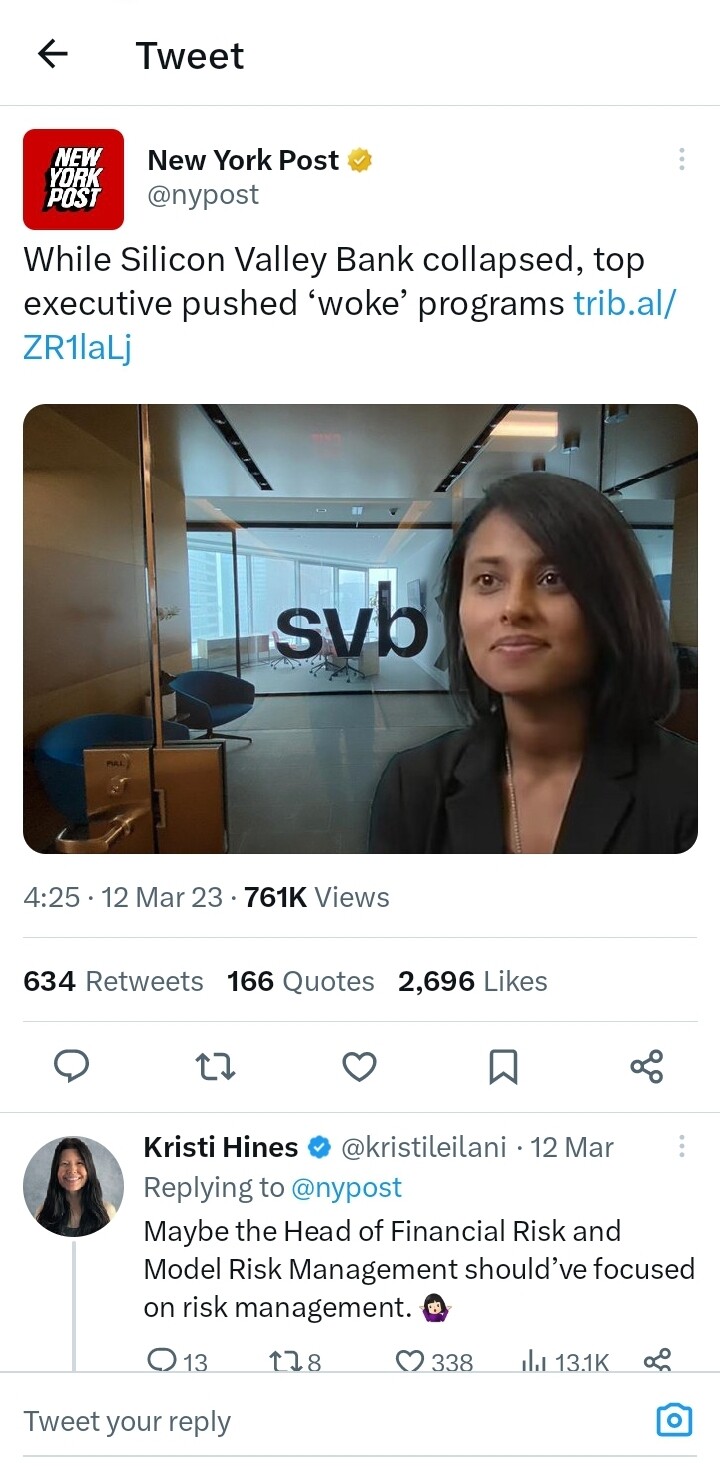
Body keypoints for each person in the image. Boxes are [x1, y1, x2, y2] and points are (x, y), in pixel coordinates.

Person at [369, 474, 697, 854]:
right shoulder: (414, 788)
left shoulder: (692, 792)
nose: (514, 608)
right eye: (488, 580)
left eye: (551, 578)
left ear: (616, 602)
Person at [35, 1137, 117, 1236]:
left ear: (89, 1169)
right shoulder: (42, 1213)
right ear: (56, 1171)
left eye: (79, 1163)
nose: (72, 1170)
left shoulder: (107, 1212)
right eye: (65, 1163)